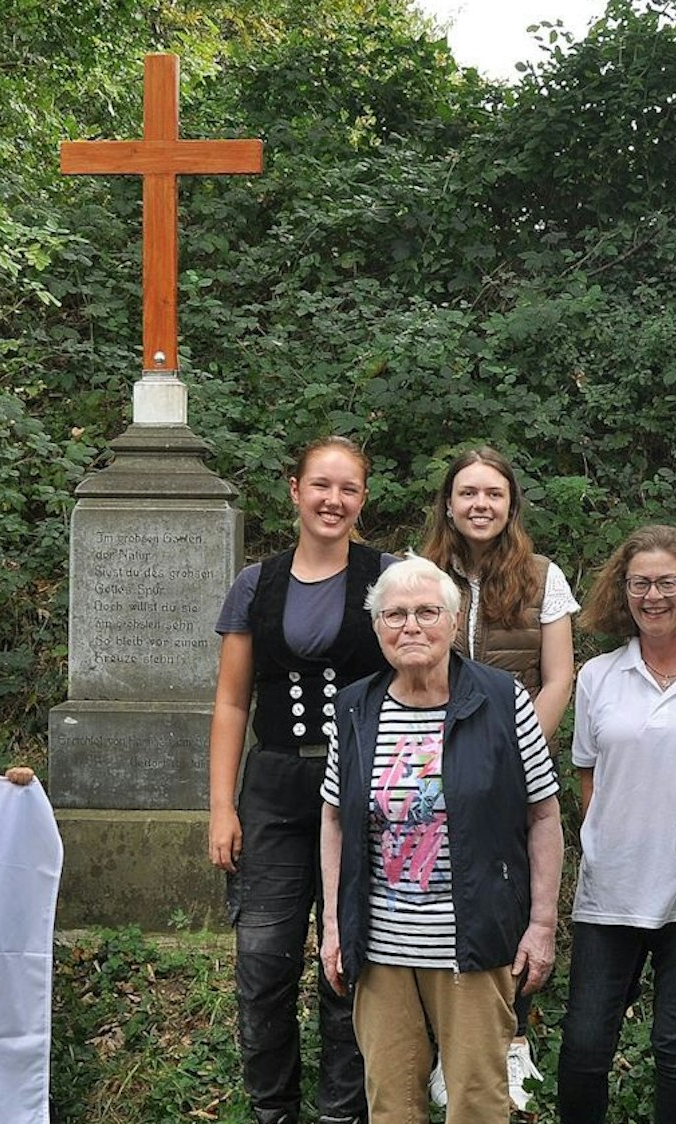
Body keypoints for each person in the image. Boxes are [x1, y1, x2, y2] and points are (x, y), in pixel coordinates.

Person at [319, 555, 564, 1124]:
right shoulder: (355, 708)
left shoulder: (502, 700)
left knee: (478, 1103)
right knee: (392, 1105)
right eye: (395, 614)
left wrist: (543, 926)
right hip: (380, 950)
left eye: (428, 612)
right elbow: (333, 819)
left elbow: (544, 816)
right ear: (376, 628)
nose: (411, 626)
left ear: (453, 623)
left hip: (474, 945)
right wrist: (333, 926)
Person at [207, 436, 388, 1124]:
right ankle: (272, 1111)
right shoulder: (256, 583)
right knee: (263, 961)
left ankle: (343, 1113)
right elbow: (230, 703)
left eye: (346, 489)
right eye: (320, 485)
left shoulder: (389, 576)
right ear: (293, 490)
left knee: (352, 961)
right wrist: (221, 807)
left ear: (361, 498)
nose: (331, 501)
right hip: (275, 787)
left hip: (365, 788)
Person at [556, 525, 676, 1124]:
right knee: (584, 1044)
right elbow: (587, 771)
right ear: (621, 590)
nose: (653, 596)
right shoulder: (597, 676)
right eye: (640, 583)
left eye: (666, 582)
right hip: (611, 889)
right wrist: (604, 837)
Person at [416, 445, 578, 1104]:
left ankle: (509, 1042)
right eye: (468, 493)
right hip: (429, 767)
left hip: (512, 768)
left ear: (510, 505)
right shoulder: (419, 572)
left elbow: (559, 674)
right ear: (448, 505)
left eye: (493, 493)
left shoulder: (542, 576)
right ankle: (440, 1050)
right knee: (432, 895)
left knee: (512, 899)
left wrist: (518, 755)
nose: (480, 504)